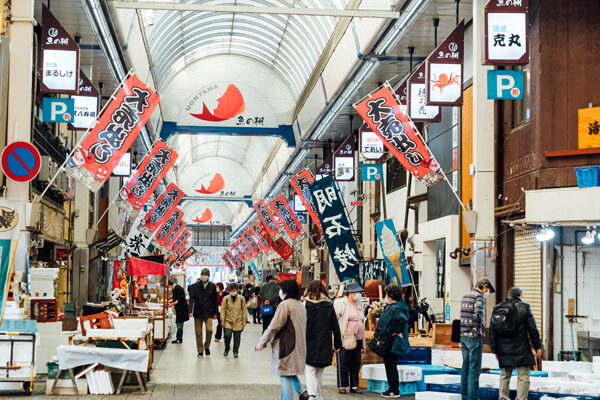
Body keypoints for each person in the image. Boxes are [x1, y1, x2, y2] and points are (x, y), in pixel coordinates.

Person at [256, 279, 309, 400]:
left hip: (286, 345)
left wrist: (262, 342)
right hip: (298, 345)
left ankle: (290, 397)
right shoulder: (300, 305)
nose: (280, 292)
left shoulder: (285, 305)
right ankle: (302, 392)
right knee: (289, 371)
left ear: (285, 291)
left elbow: (274, 326)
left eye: (281, 289)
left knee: (284, 373)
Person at [490, 287, 542, 400]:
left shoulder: (498, 307)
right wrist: (537, 346)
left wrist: (495, 350)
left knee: (504, 376)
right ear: (519, 296)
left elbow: (492, 331)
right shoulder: (524, 307)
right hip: (521, 348)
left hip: (503, 349)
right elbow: (532, 328)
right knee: (523, 376)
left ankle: (503, 398)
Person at [305, 280, 342, 400]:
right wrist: (337, 344)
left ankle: (312, 395)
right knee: (320, 370)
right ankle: (318, 394)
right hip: (324, 340)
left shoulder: (305, 304)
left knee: (310, 368)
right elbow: (335, 327)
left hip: (308, 340)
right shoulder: (328, 305)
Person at [460, 277, 496, 400]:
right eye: (488, 290)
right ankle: (472, 398)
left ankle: (464, 397)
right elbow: (477, 314)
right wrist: (478, 329)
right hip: (473, 337)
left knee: (465, 368)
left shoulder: (466, 295)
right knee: (474, 370)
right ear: (484, 286)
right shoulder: (478, 297)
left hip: (463, 336)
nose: (487, 293)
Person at [374, 284, 410, 398]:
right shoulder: (397, 306)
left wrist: (396, 331)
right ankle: (393, 389)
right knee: (391, 365)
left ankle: (393, 390)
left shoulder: (395, 307)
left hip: (390, 341)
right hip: (391, 340)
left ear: (390, 295)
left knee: (390, 365)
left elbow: (402, 319)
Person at [334, 282, 365, 394]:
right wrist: (335, 337)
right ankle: (342, 385)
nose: (359, 294)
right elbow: (334, 320)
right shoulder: (340, 303)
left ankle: (354, 385)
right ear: (351, 293)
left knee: (356, 361)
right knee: (343, 362)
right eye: (358, 292)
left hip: (358, 337)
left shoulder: (359, 304)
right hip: (345, 337)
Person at [188, 268, 218, 357]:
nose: (203, 276)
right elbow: (191, 299)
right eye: (202, 275)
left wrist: (215, 313)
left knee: (209, 330)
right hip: (198, 312)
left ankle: (207, 346)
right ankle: (200, 350)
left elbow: (215, 301)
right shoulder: (195, 286)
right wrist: (190, 310)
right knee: (198, 332)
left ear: (208, 276)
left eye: (205, 275)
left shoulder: (212, 286)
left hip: (209, 312)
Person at [220, 283, 247, 358]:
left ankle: (236, 351)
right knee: (227, 335)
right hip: (228, 320)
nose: (233, 292)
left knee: (237, 338)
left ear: (237, 290)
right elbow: (223, 309)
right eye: (232, 290)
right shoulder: (226, 298)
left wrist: (244, 320)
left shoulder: (242, 299)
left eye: (235, 290)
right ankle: (227, 348)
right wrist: (222, 320)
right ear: (229, 291)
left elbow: (244, 310)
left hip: (238, 321)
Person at [168, 278, 189, 344]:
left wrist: (171, 304)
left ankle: (179, 339)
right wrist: (168, 301)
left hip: (182, 309)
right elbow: (174, 298)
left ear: (170, 285)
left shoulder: (178, 288)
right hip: (179, 309)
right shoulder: (174, 289)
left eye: (168, 286)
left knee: (180, 324)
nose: (168, 288)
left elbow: (179, 299)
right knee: (178, 323)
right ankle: (178, 338)